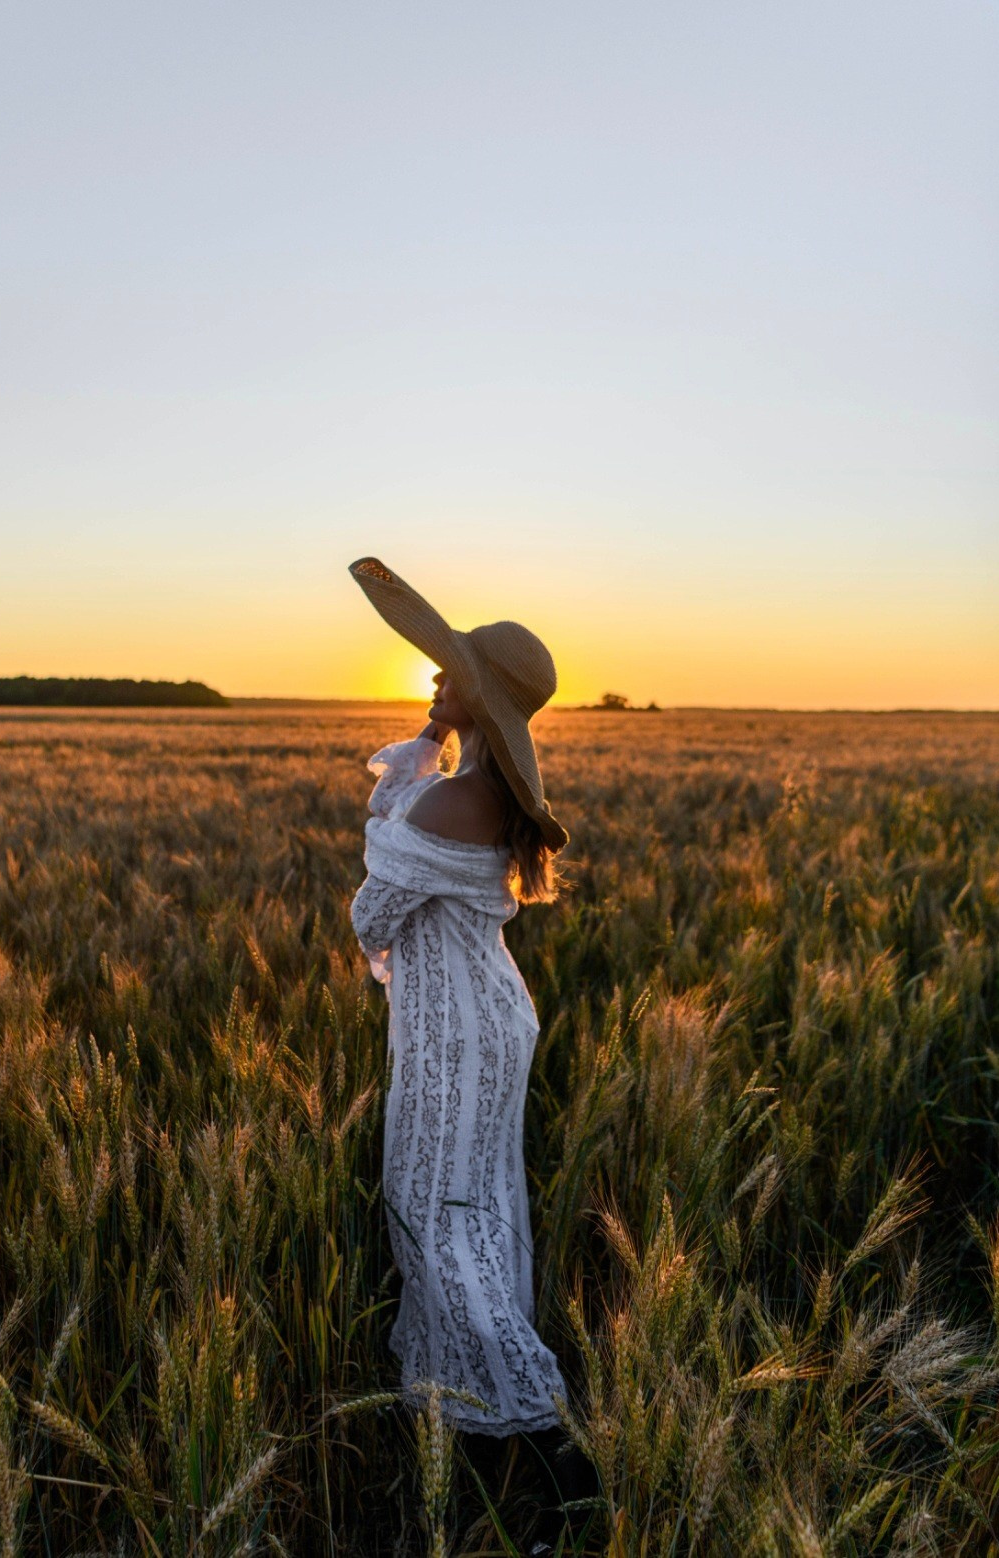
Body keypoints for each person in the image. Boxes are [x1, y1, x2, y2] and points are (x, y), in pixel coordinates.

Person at [347, 558, 598, 1555]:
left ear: (479, 699)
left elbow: (374, 908)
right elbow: (402, 857)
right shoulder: (476, 791)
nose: (434, 678)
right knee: (471, 1211)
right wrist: (430, 746)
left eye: (451, 674)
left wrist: (413, 768)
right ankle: (485, 1424)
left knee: (437, 1219)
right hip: (486, 1019)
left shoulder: (450, 802)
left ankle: (556, 1449)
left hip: (453, 1034)